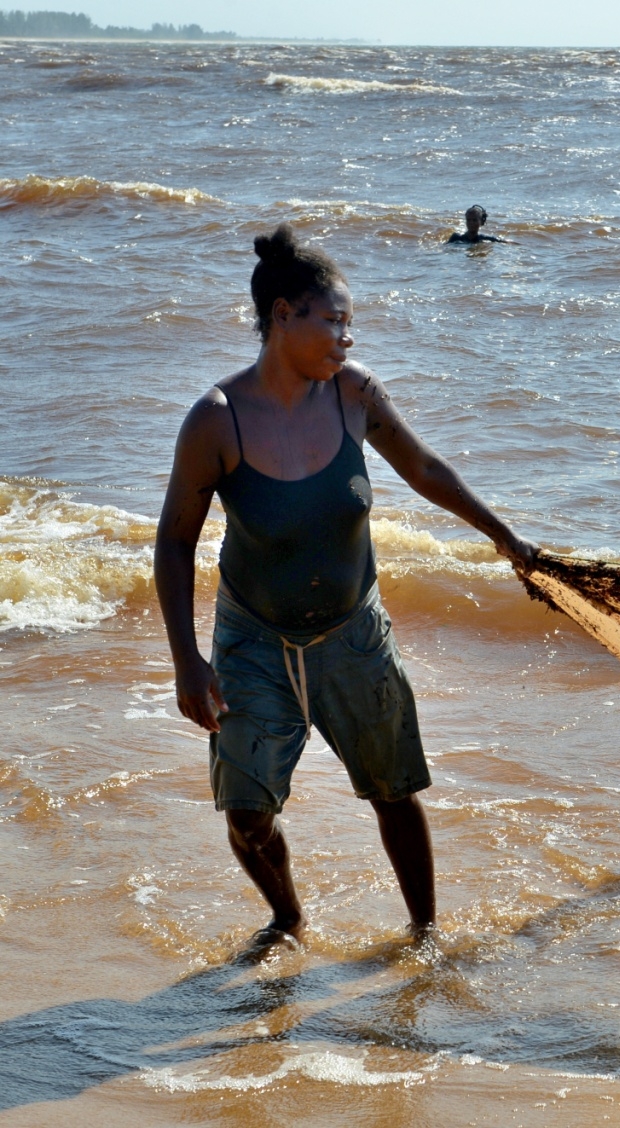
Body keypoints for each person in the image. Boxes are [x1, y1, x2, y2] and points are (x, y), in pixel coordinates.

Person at [154, 224, 538, 951]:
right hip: (253, 640)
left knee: (394, 792)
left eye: (349, 325)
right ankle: (288, 919)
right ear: (282, 317)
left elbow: (424, 469)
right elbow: (175, 540)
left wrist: (504, 536)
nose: (346, 339)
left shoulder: (354, 396)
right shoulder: (217, 419)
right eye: (333, 321)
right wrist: (186, 661)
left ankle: (425, 936)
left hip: (353, 635)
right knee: (245, 813)